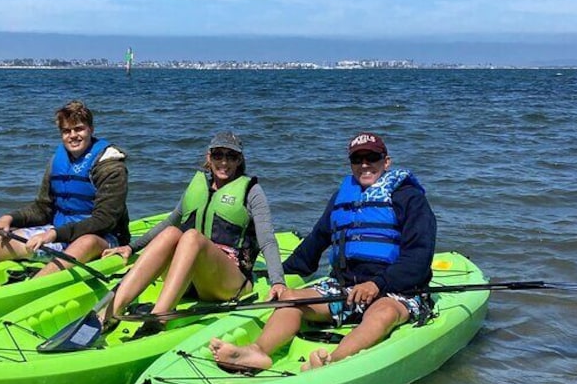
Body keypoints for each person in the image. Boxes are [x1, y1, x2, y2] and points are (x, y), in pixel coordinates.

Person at [210, 131, 437, 371]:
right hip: (347, 290)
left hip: (395, 290)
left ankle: (332, 361)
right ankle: (258, 352)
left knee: (383, 312)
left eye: (372, 157)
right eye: (357, 159)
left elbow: (419, 258)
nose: (365, 165)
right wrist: (275, 277)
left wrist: (378, 284)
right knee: (291, 299)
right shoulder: (343, 197)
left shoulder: (409, 198)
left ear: (386, 161)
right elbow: (315, 243)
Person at [100, 132, 287, 335]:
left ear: (239, 160)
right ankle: (110, 312)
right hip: (193, 280)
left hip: (230, 281)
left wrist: (278, 281)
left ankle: (159, 318)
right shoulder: (199, 186)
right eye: (218, 155)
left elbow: (267, 239)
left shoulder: (252, 191)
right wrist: (130, 247)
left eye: (231, 156)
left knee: (190, 237)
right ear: (209, 157)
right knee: (172, 232)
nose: (224, 162)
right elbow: (170, 221)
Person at [0, 100, 130, 284]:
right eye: (66, 131)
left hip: (102, 239)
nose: (73, 136)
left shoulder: (111, 167)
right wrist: (9, 219)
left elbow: (105, 221)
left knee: (86, 242)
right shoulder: (58, 161)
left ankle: (27, 292)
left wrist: (53, 234)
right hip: (59, 235)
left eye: (79, 129)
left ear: (91, 129)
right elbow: (43, 208)